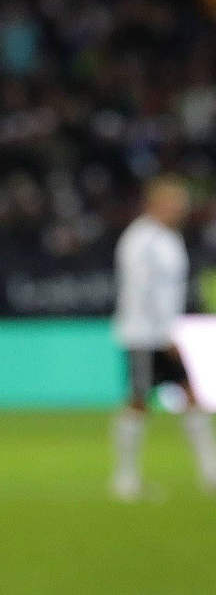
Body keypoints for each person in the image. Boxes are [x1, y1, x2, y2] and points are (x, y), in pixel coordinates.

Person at [111, 175, 216, 501]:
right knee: (140, 401)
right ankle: (125, 479)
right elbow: (140, 291)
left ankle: (209, 474)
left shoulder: (167, 238)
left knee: (190, 396)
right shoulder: (141, 239)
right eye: (173, 202)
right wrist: (162, 333)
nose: (180, 209)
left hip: (161, 332)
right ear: (154, 203)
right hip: (144, 334)